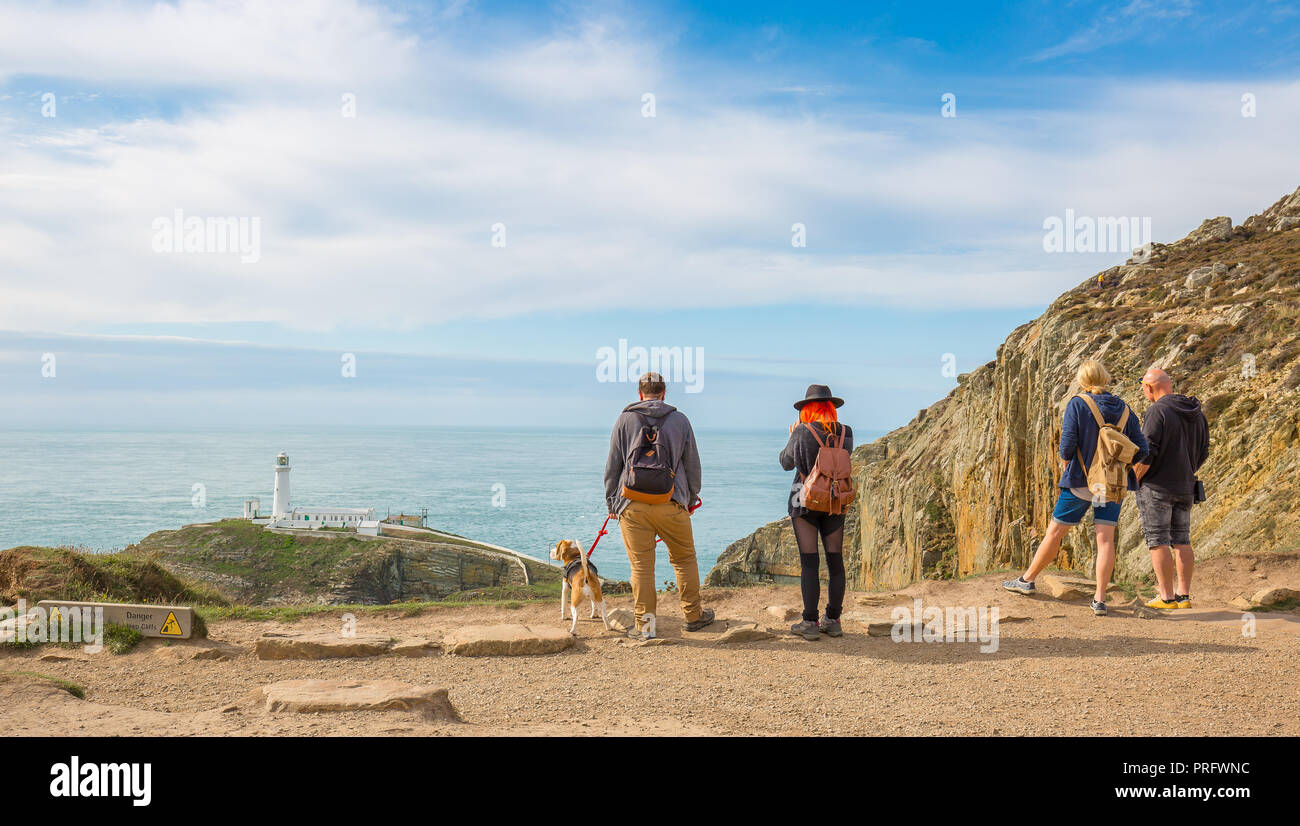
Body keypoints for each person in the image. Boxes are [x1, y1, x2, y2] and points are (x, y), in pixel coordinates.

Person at [1003, 360, 1148, 615]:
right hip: (1110, 485)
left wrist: (1068, 462)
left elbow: (1067, 446)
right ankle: (1100, 600)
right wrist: (1117, 465)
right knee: (1105, 540)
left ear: (1082, 381)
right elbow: (1142, 450)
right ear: (1105, 378)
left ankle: (1027, 580)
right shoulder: (1125, 409)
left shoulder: (1079, 404)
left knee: (1055, 532)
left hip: (1081, 481)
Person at [604, 371, 714, 639]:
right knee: (684, 560)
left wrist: (612, 503)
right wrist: (689, 498)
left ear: (640, 394)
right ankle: (693, 616)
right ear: (664, 393)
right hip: (671, 501)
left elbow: (613, 466)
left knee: (641, 566)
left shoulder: (625, 419)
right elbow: (692, 465)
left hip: (632, 503)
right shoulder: (680, 420)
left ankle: (646, 626)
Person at [779, 385, 853, 640]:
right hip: (834, 500)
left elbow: (786, 463)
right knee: (835, 560)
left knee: (809, 561)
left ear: (807, 410)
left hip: (805, 501)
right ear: (831, 408)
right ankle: (833, 619)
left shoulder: (801, 431)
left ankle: (809, 622)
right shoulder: (846, 432)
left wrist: (792, 437)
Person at [1133, 368, 1209, 610]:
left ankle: (1166, 598)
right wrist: (1187, 469)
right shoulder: (1196, 412)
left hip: (1157, 487)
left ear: (1149, 387)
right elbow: (1204, 450)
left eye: (1143, 387)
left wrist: (1134, 478)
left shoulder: (1157, 411)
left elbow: (1147, 453)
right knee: (1182, 540)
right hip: (1186, 486)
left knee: (1158, 541)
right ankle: (1183, 596)